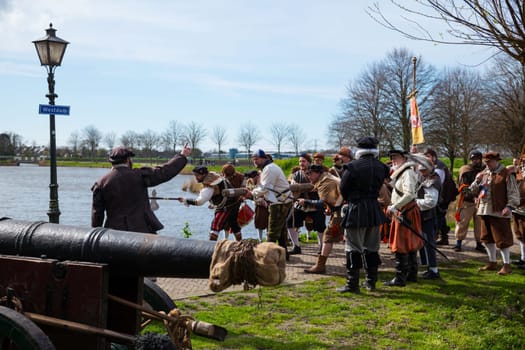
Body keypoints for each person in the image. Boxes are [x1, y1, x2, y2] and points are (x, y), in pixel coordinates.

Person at [91, 145, 191, 233]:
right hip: (141, 231)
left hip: (114, 233)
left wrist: (96, 236)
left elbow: (97, 215)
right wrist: (182, 156)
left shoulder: (101, 183)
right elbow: (164, 172)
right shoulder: (139, 175)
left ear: (111, 162)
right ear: (128, 160)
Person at [336, 137, 390, 293]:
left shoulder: (352, 167)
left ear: (359, 150)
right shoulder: (382, 167)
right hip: (374, 208)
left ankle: (352, 284)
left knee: (353, 247)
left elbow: (343, 189)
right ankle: (371, 282)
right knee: (372, 247)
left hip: (357, 208)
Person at [470, 151, 519, 275]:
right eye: (485, 162)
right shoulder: (483, 174)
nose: (487, 165)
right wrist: (477, 181)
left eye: (489, 162)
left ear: (496, 161)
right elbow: (472, 191)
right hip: (484, 210)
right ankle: (492, 262)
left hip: (499, 211)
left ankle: (506, 265)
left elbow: (513, 192)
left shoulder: (506, 174)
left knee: (502, 240)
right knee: (487, 239)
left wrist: (509, 206)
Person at [384, 149, 423, 287]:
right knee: (408, 244)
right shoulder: (403, 173)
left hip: (406, 212)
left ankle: (401, 278)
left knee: (402, 244)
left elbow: (410, 194)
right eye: (392, 157)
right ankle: (411, 275)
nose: (393, 160)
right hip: (404, 210)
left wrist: (395, 206)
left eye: (396, 157)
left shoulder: (407, 173)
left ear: (404, 158)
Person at [179, 166, 244, 241]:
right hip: (234, 204)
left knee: (215, 226)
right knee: (234, 225)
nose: (196, 178)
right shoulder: (214, 175)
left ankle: (210, 249)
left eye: (197, 175)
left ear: (203, 174)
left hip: (225, 207)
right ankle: (240, 244)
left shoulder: (209, 184)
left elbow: (199, 202)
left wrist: (186, 200)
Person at [301, 164, 344, 274]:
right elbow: (331, 203)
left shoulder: (326, 182)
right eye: (307, 174)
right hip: (343, 210)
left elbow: (327, 203)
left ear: (318, 173)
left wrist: (307, 202)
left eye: (310, 173)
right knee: (351, 238)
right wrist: (329, 208)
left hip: (343, 212)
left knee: (328, 237)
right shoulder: (326, 178)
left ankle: (320, 266)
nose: (308, 176)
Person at [250, 149, 293, 258]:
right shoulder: (268, 168)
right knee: (281, 229)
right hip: (281, 201)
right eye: (253, 159)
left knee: (272, 231)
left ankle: (267, 258)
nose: (255, 161)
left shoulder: (269, 169)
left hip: (279, 202)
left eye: (257, 159)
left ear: (264, 158)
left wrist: (251, 193)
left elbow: (266, 188)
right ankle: (284, 255)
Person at [287, 153, 326, 255]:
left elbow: (319, 187)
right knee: (290, 222)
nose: (301, 163)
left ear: (309, 162)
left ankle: (321, 246)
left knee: (320, 226)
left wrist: (303, 187)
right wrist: (304, 187)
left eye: (303, 161)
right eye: (300, 161)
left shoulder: (317, 172)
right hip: (300, 204)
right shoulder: (296, 174)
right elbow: (293, 188)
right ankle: (296, 246)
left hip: (315, 203)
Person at [413, 154, 442, 279]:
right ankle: (428, 267)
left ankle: (433, 270)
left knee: (429, 243)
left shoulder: (433, 180)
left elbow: (430, 202)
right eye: (421, 170)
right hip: (422, 215)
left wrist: (413, 203)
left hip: (428, 216)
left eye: (424, 170)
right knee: (424, 243)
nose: (422, 172)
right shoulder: (425, 178)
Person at [423, 148, 458, 246]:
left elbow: (438, 184)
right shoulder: (432, 166)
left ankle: (435, 238)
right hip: (441, 196)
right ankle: (444, 237)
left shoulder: (438, 167)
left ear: (433, 157)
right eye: (425, 156)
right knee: (441, 217)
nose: (426, 158)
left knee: (438, 217)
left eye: (428, 156)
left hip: (443, 196)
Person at [453, 150, 486, 252]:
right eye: (473, 159)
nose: (475, 161)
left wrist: (480, 196)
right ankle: (458, 243)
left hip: (481, 200)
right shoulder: (466, 170)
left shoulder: (485, 170)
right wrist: (473, 197)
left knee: (479, 224)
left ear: (481, 159)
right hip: (467, 200)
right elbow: (463, 187)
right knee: (462, 222)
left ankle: (479, 243)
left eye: (477, 159)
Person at [509, 157, 525, 269]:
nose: (522, 165)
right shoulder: (518, 175)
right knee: (519, 234)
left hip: (524, 210)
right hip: (517, 210)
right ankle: (523, 258)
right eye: (522, 162)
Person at [245, 169, 268, 242]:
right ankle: (260, 239)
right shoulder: (252, 184)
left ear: (257, 176)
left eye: (252, 177)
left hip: (266, 204)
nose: (251, 178)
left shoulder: (263, 182)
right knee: (258, 222)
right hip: (258, 205)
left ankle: (268, 239)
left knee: (268, 222)